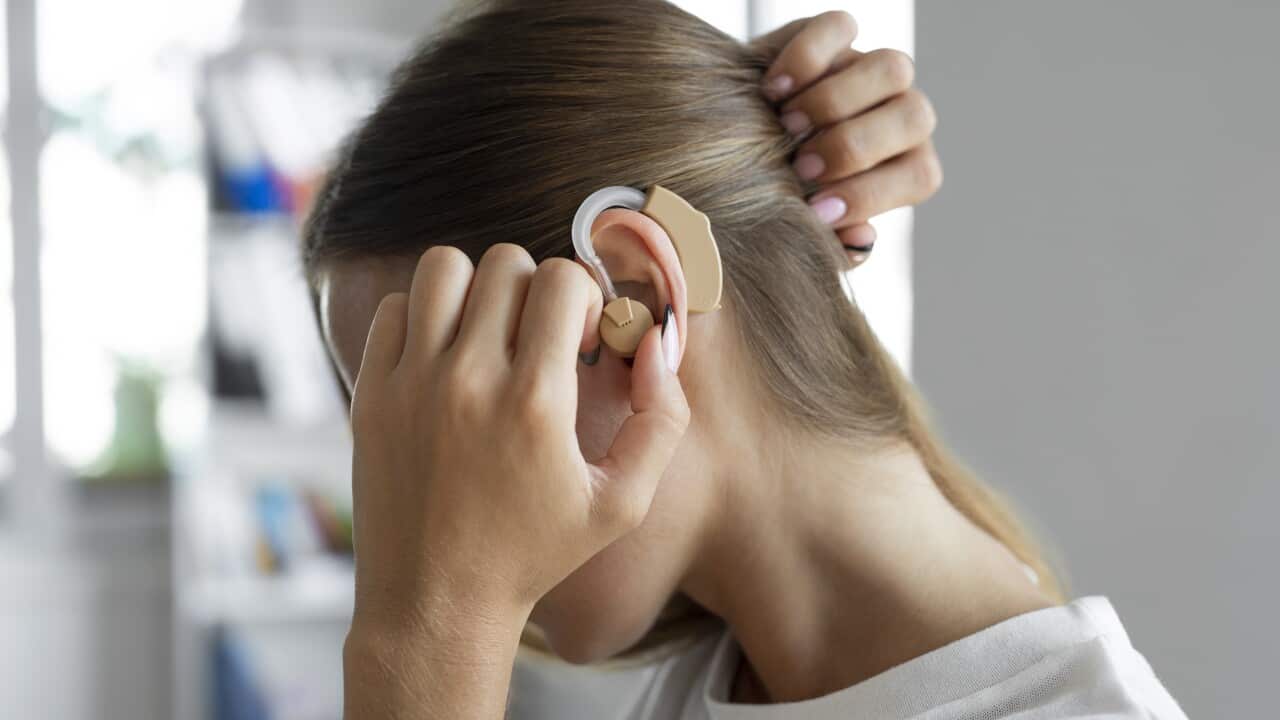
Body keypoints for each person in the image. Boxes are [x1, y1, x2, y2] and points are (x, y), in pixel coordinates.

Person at [302, 1, 1187, 717]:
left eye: (439, 410)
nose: (404, 497)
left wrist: (429, 637)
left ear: (635, 305)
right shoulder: (730, 681)